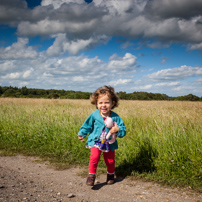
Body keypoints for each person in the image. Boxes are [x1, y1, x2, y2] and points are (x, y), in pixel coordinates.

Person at [77, 85, 126, 186]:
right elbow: (87, 125)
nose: (103, 105)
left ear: (113, 103)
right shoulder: (95, 114)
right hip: (96, 141)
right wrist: (82, 133)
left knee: (110, 161)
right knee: (94, 157)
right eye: (100, 103)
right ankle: (91, 176)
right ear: (96, 104)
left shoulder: (116, 117)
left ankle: (111, 175)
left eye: (107, 102)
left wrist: (117, 130)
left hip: (109, 143)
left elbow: (123, 131)